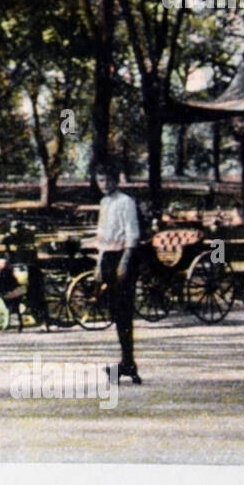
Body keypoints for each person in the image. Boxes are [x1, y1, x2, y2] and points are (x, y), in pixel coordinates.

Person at [94, 162, 143, 384]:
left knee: (124, 311)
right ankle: (126, 361)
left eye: (108, 180)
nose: (104, 184)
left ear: (116, 180)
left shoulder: (126, 202)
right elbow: (103, 235)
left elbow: (132, 233)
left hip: (123, 257)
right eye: (100, 180)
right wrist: (99, 264)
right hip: (107, 257)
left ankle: (128, 362)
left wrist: (124, 262)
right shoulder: (104, 202)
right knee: (114, 310)